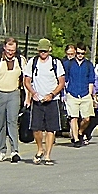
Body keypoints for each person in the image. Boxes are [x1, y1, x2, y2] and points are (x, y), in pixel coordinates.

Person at [24, 37, 66, 165]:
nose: (43, 53)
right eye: (41, 51)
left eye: (45, 51)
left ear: (49, 50)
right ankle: (40, 148)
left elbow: (61, 82)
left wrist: (52, 94)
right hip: (38, 100)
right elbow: (26, 81)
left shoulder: (56, 63)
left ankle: (47, 155)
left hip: (52, 100)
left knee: (50, 129)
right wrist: (33, 93)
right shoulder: (33, 62)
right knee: (36, 129)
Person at [63, 43, 98, 147]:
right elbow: (64, 80)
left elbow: (91, 80)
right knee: (73, 117)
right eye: (78, 53)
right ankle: (76, 139)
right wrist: (64, 94)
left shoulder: (88, 65)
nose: (80, 55)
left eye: (82, 53)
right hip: (72, 93)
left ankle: (80, 131)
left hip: (85, 93)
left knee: (86, 118)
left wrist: (91, 95)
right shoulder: (68, 64)